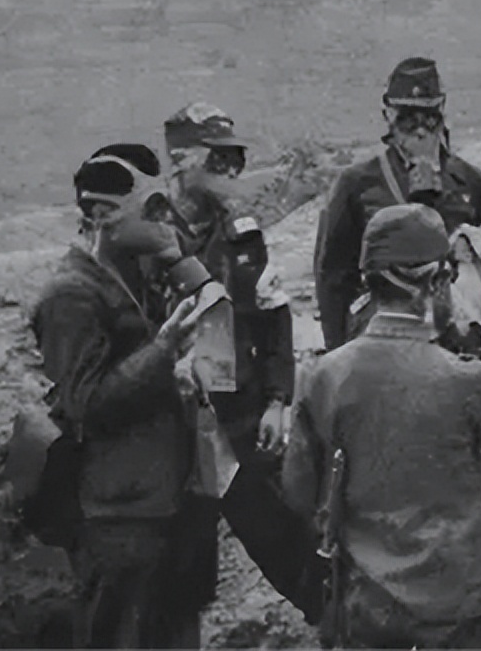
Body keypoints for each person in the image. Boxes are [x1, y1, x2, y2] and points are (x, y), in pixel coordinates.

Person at [283, 204, 481, 649]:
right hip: (462, 604)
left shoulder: (321, 377)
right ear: (436, 282)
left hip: (369, 603)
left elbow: (297, 493)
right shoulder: (467, 380)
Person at [159, 105, 325, 622]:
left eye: (236, 160)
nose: (231, 171)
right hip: (172, 427)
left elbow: (274, 318)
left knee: (283, 535)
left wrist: (278, 399)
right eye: (218, 159)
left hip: (240, 415)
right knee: (181, 561)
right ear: (181, 160)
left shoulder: (242, 234)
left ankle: (335, 624)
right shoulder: (147, 237)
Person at [31, 149, 202, 648]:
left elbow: (217, 312)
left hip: (165, 501)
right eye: (153, 209)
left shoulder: (138, 274)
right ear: (104, 215)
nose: (165, 221)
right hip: (117, 516)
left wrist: (181, 261)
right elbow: (86, 404)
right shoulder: (71, 295)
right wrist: (163, 352)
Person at [313, 57, 481, 364]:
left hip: (457, 344)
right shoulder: (357, 184)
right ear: (388, 116)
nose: (420, 130)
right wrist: (338, 353)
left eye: (429, 117)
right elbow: (333, 276)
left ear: (442, 112)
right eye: (408, 118)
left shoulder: (471, 182)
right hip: (385, 340)